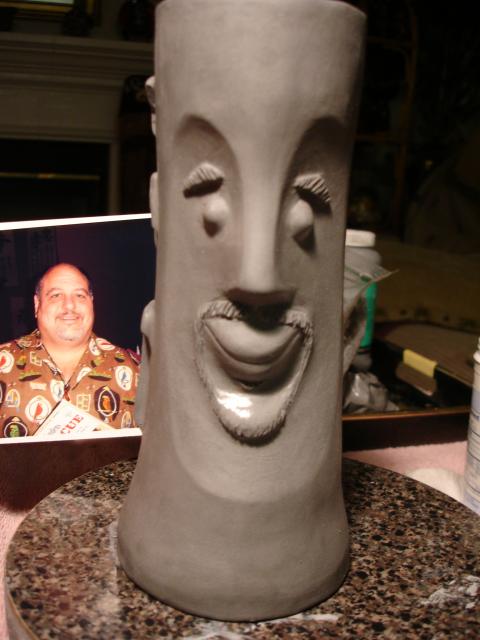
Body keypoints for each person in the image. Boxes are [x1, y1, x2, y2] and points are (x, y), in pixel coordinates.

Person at [0, 263, 140, 437]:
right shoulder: (3, 365)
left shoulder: (134, 370)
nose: (69, 306)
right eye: (56, 295)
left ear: (91, 303)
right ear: (37, 304)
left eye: (80, 295)